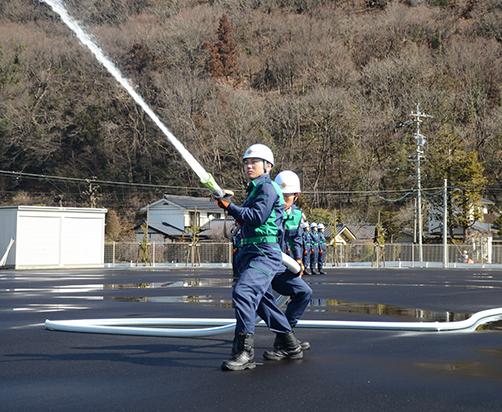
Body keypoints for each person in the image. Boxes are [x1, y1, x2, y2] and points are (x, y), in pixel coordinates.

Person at [215, 144, 303, 371]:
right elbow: (246, 219)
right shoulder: (256, 189)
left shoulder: (267, 187)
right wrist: (230, 205)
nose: (249, 165)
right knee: (263, 303)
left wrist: (230, 206)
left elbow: (256, 217)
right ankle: (291, 345)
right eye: (246, 162)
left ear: (268, 166)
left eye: (254, 161)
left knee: (244, 292)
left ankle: (245, 352)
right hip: (250, 253)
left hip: (263, 253)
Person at [265, 170, 312, 356]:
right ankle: (244, 348)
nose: (284, 200)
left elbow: (297, 239)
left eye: (288, 196)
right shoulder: (267, 212)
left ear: (296, 196)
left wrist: (299, 260)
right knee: (263, 303)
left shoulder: (297, 216)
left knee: (304, 292)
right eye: (280, 196)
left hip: (281, 266)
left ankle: (285, 338)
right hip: (263, 264)